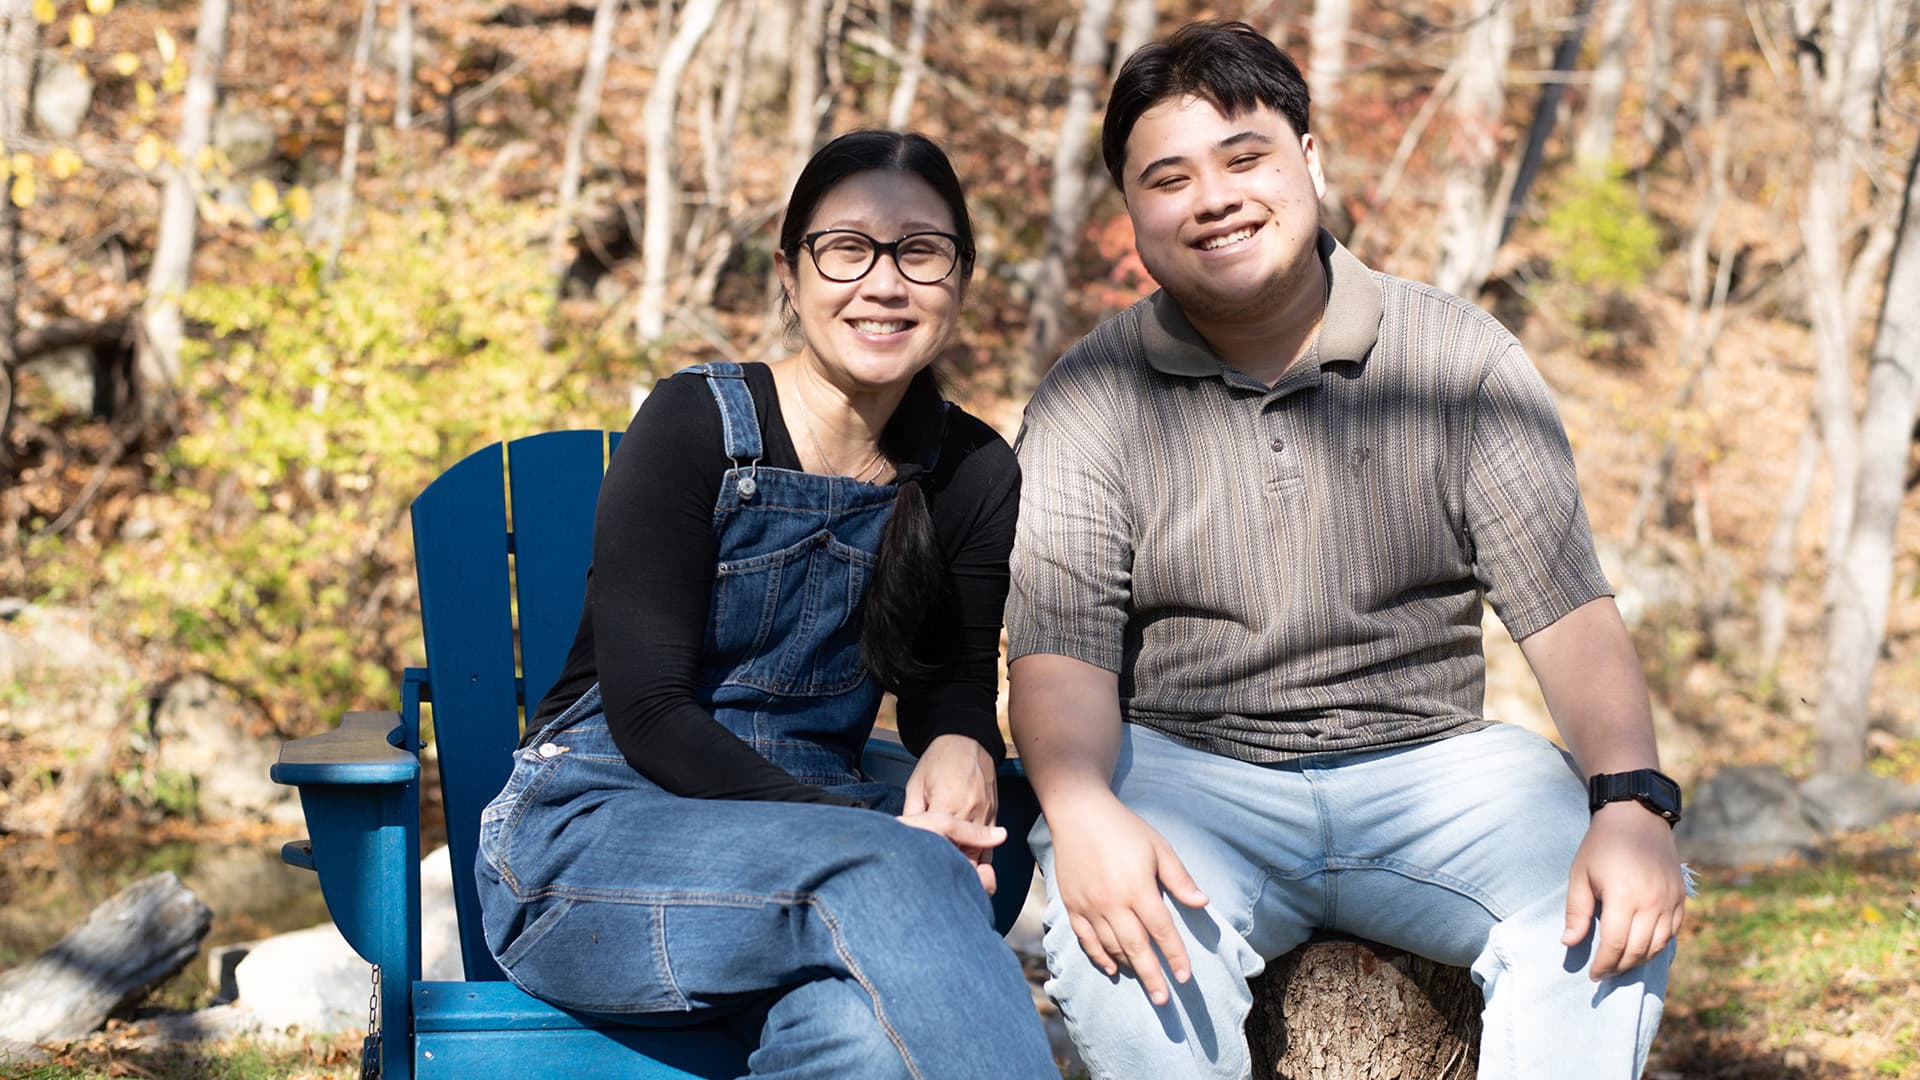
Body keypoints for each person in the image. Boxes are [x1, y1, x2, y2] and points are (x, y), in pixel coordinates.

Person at [1007, 21, 1688, 1080]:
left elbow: (1565, 611)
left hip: (1437, 769)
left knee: (1606, 905)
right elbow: (1060, 655)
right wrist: (1081, 809)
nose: (1214, 198)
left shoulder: (1457, 360)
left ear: (1309, 159)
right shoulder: (1090, 400)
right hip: (1194, 775)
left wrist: (1633, 798)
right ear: (1133, 210)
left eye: (1245, 159)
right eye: (1169, 178)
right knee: (1115, 955)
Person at [475, 130, 1057, 1079]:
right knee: (910, 869)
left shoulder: (973, 469)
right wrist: (872, 843)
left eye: (921, 252)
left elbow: (950, 684)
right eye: (846, 250)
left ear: (961, 278)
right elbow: (651, 713)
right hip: (597, 846)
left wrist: (959, 744)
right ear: (790, 273)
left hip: (814, 858)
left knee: (868, 1036)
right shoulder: (698, 421)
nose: (883, 283)